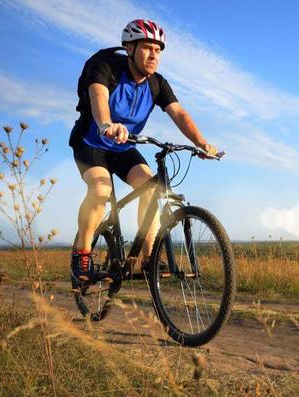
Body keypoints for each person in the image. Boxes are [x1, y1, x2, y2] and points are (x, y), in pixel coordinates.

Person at [69, 19, 218, 283]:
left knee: (151, 187)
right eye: (147, 47)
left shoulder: (157, 84)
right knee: (101, 190)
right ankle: (82, 252)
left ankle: (149, 259)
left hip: (124, 147)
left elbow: (179, 113)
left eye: (158, 50)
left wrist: (201, 142)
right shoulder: (106, 68)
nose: (153, 55)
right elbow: (98, 97)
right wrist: (106, 125)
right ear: (129, 48)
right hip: (91, 143)